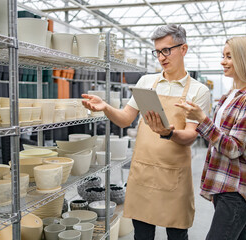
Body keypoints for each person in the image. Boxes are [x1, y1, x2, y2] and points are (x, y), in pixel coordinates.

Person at [82, 24, 210, 240]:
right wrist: (105, 107)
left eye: (167, 50)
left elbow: (190, 136)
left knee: (177, 233)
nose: (161, 57)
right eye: (158, 52)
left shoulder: (199, 90)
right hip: (143, 171)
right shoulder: (146, 82)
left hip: (174, 176)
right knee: (141, 234)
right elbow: (125, 119)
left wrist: (169, 133)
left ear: (183, 49)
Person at [176, 36, 246, 240]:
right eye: (223, 56)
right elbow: (219, 135)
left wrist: (202, 120)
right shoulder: (229, 96)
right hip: (223, 184)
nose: (223, 61)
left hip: (236, 188)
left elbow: (234, 148)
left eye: (229, 57)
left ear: (244, 60)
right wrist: (197, 117)